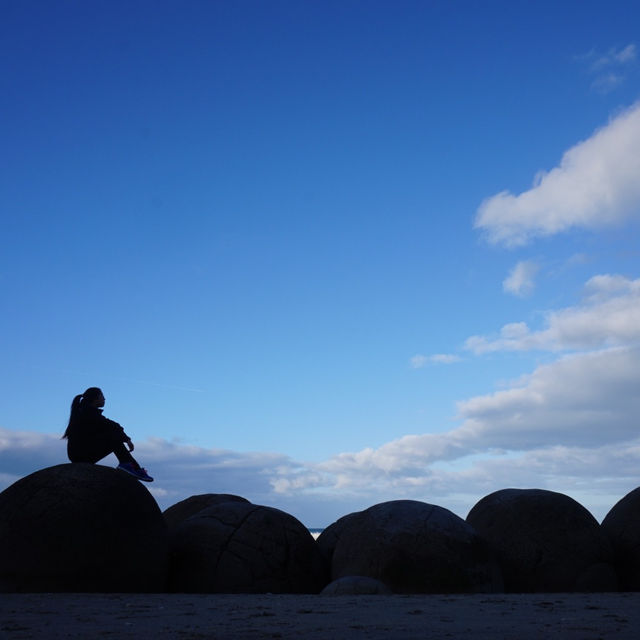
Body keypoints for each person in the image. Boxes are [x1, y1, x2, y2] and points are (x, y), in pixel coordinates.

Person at [62, 387, 153, 482]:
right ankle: (130, 466)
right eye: (102, 396)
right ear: (95, 398)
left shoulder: (87, 412)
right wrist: (126, 439)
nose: (104, 399)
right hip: (80, 455)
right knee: (113, 437)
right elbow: (111, 425)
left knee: (112, 434)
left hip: (79, 454)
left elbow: (112, 425)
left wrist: (126, 438)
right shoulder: (87, 414)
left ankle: (131, 466)